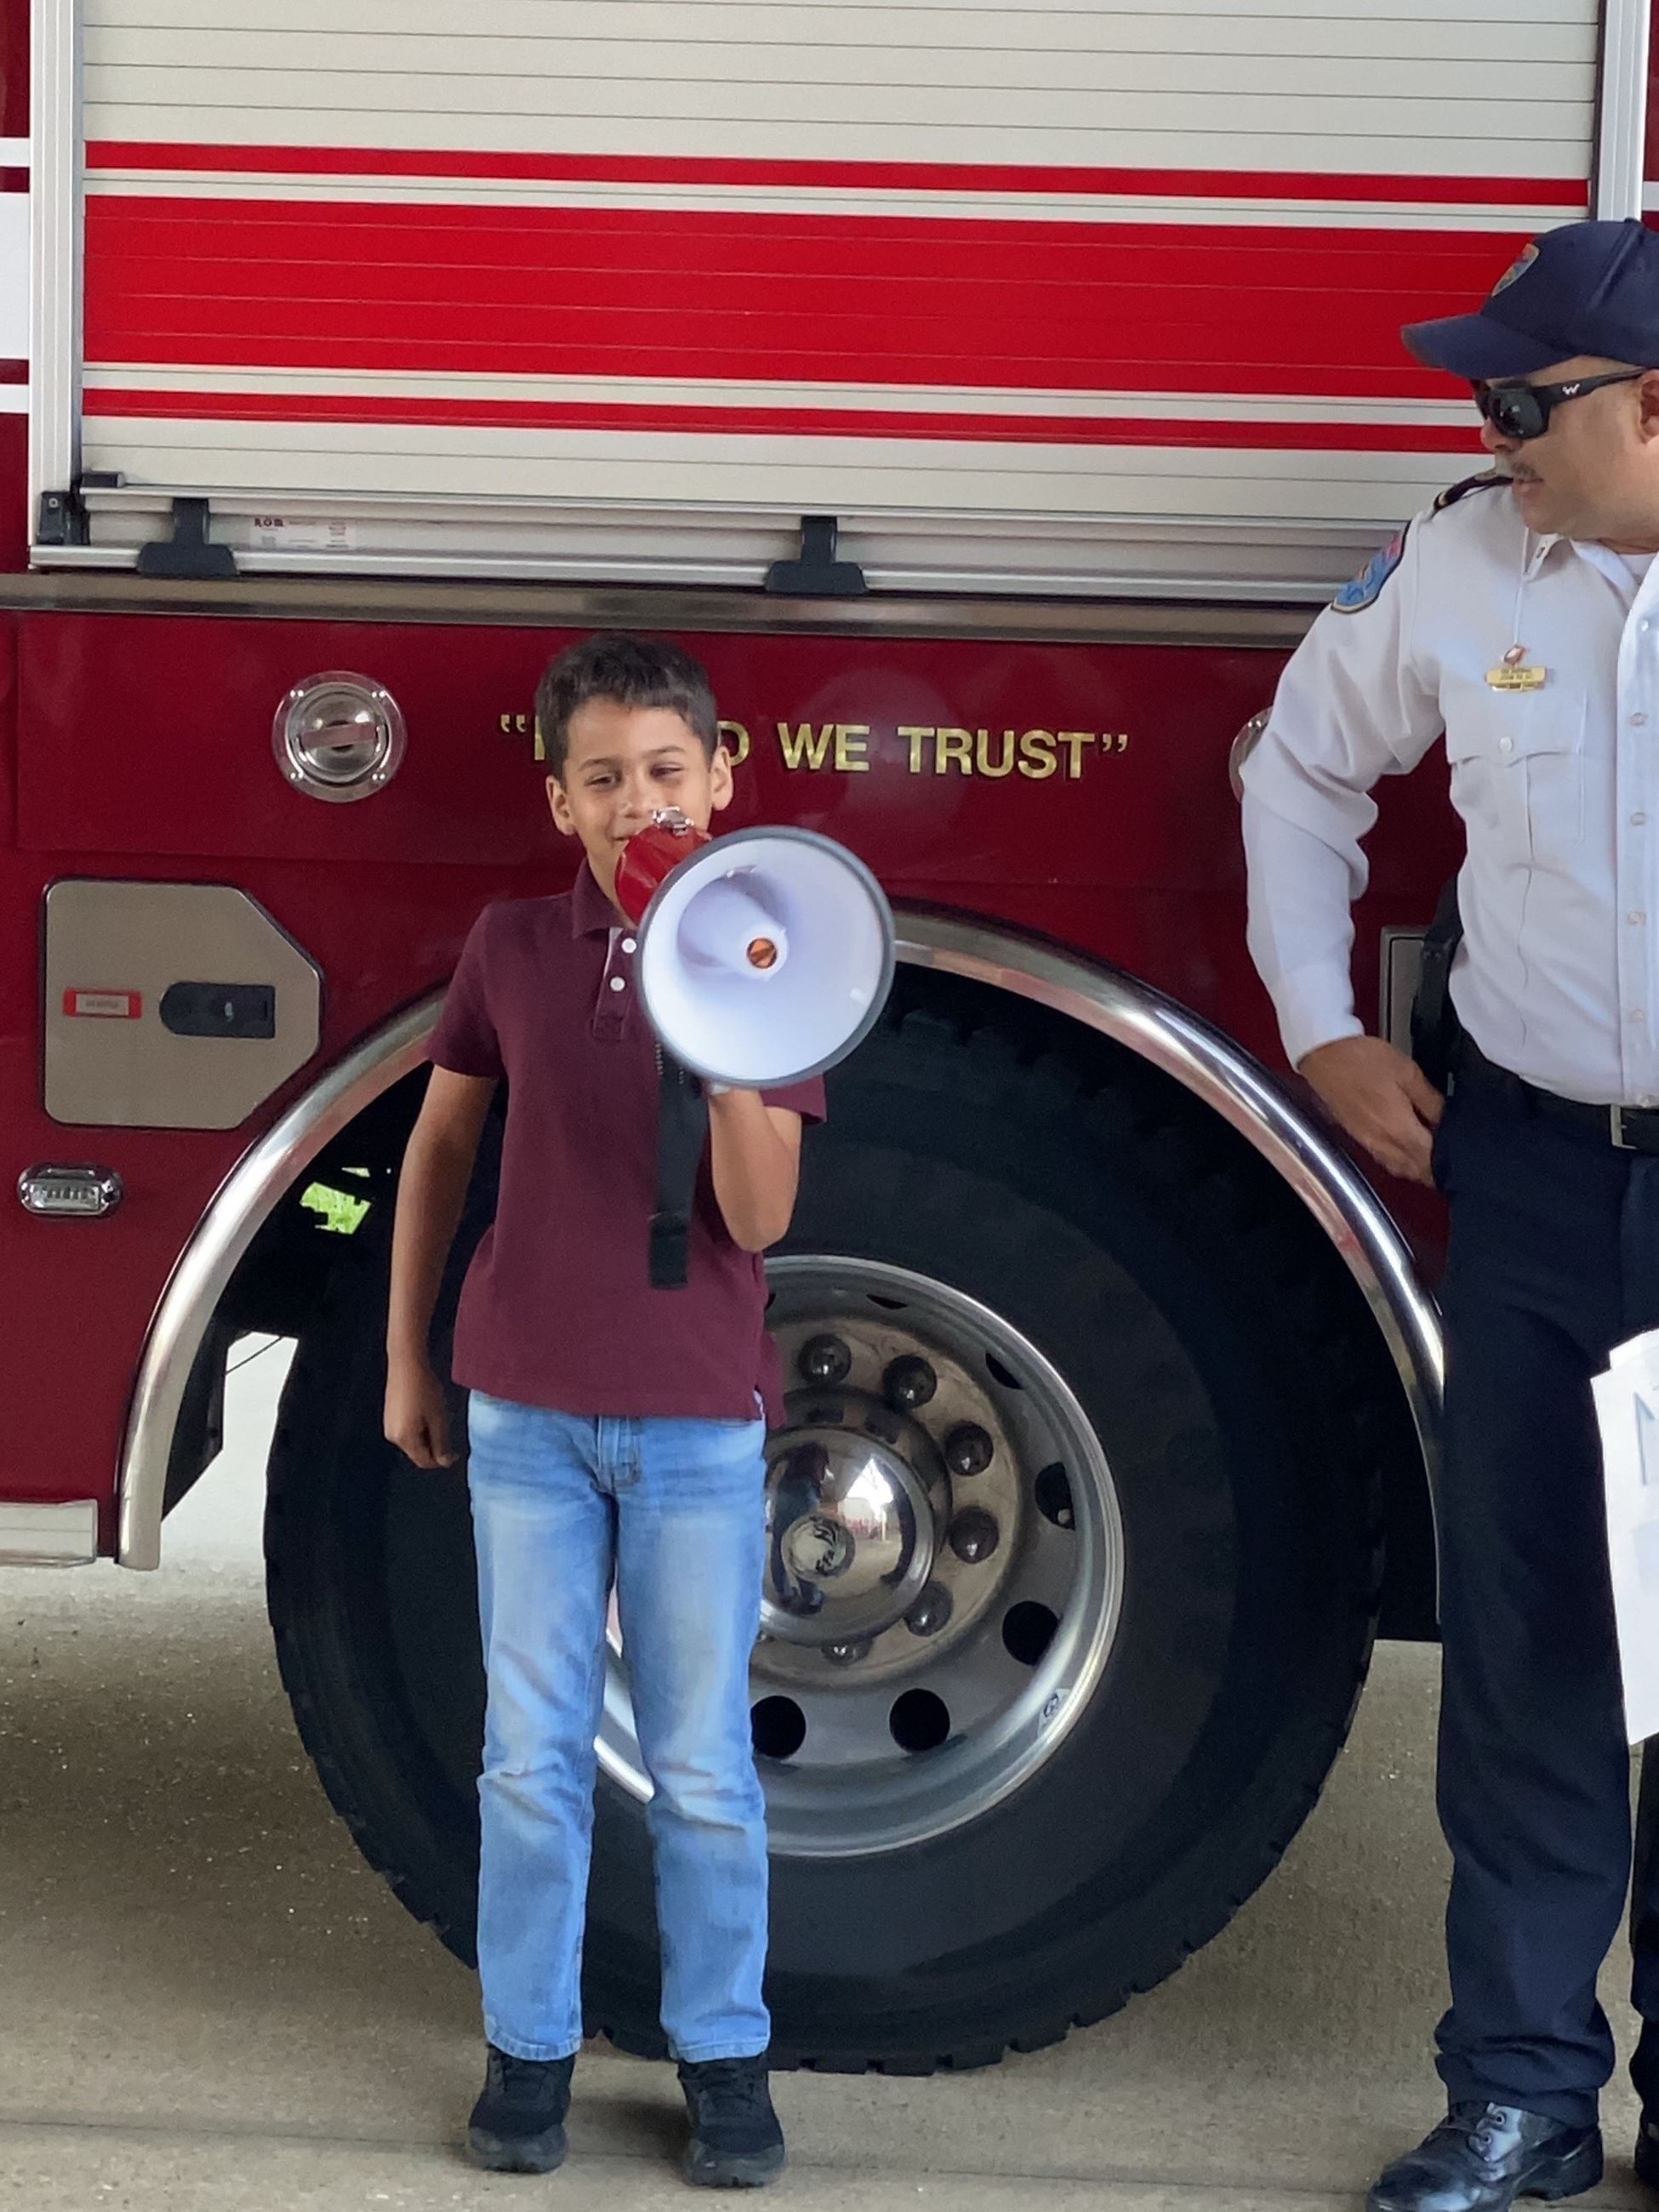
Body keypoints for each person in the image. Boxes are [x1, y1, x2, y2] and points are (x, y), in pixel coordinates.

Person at [1241, 218, 1659, 2212]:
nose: (1487, 433)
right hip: (1541, 1177)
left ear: (1651, 408)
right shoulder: (1462, 565)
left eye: (1520, 399)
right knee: (1532, 1639)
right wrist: (1320, 1028)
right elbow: (1299, 774)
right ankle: (1521, 2089)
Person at [383, 631, 825, 2186]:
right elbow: (440, 1149)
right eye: (604, 779)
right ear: (559, 800)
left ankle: (724, 2058)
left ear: (722, 778)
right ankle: (527, 2050)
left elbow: (757, 1217)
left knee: (700, 1763)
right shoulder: (510, 944)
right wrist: (409, 1357)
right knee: (530, 1752)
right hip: (526, 1414)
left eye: (664, 772)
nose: (638, 804)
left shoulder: (771, 950)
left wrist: (717, 1027)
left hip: (695, 1418)